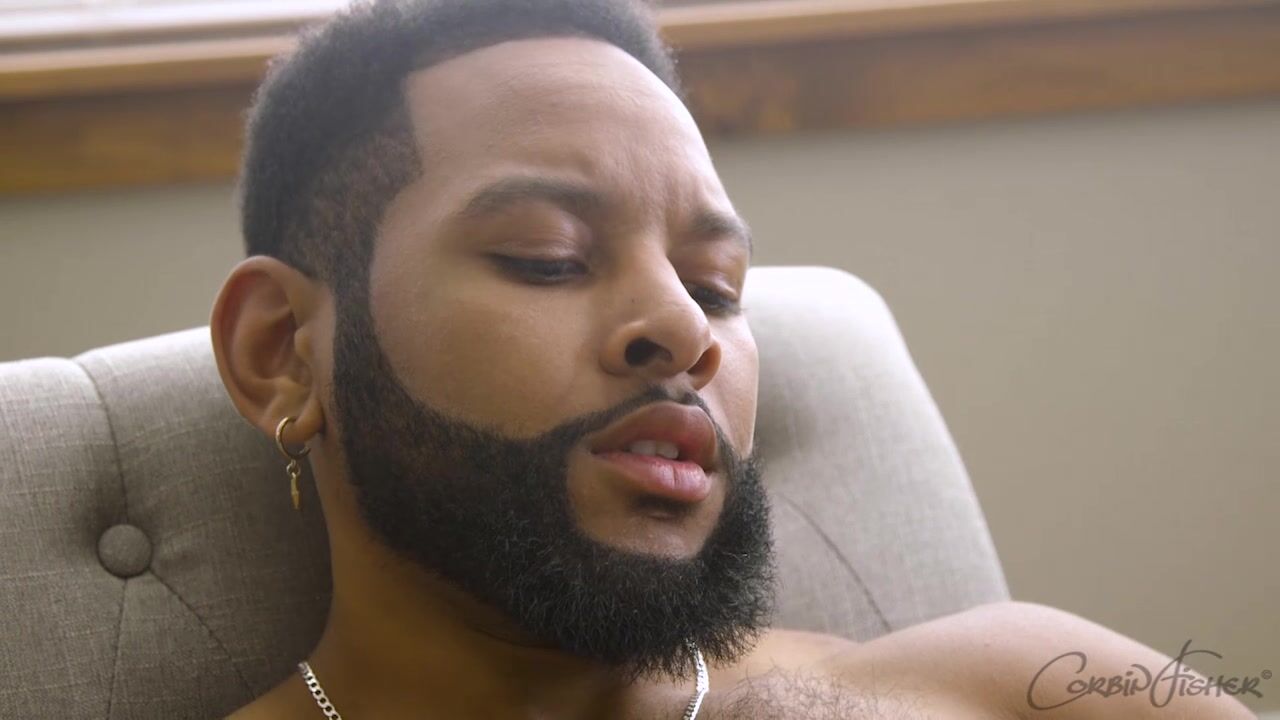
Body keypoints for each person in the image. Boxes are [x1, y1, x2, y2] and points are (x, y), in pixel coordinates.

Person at [209, 0, 1257, 717]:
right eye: (547, 258)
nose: (686, 331)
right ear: (281, 354)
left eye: (714, 286)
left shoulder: (1021, 684)